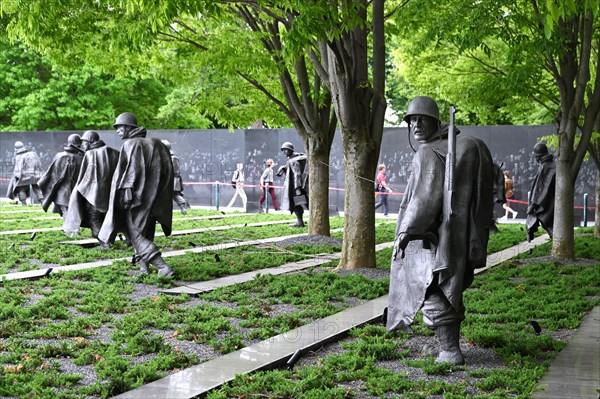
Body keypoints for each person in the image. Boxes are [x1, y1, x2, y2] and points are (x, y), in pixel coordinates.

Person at [387, 96, 494, 365]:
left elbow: (425, 198)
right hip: (461, 234)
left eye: (422, 119)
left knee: (434, 289)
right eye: (412, 120)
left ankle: (449, 350)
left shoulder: (429, 151)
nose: (416, 125)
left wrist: (406, 231)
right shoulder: (467, 146)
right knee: (450, 287)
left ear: (437, 121)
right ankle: (448, 347)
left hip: (435, 237)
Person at [98, 112, 175, 277]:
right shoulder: (156, 144)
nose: (118, 131)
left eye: (119, 128)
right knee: (145, 232)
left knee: (135, 233)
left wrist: (126, 193)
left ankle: (163, 267)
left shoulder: (131, 145)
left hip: (137, 199)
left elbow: (130, 172)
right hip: (155, 199)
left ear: (128, 128)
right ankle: (143, 268)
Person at [63, 130, 119, 240]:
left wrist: (80, 193)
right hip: (111, 195)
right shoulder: (114, 152)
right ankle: (109, 239)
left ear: (90, 141)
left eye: (84, 142)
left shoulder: (90, 154)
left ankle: (104, 242)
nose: (82, 145)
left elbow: (85, 178)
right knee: (107, 219)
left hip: (94, 194)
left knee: (94, 219)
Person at [38, 134, 84, 216]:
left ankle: (69, 227)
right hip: (75, 192)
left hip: (62, 192)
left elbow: (51, 173)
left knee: (67, 211)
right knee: (70, 212)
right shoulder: (82, 158)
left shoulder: (59, 155)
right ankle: (69, 227)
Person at [526, 142, 555, 241]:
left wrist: (533, 204)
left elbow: (540, 188)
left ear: (538, 157)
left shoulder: (545, 167)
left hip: (548, 201)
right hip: (550, 200)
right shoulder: (551, 165)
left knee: (542, 217)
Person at [276, 142, 309, 227]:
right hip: (296, 188)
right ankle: (300, 221)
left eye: (285, 150)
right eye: (283, 150)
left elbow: (297, 174)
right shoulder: (293, 159)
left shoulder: (294, 160)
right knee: (297, 204)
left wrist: (297, 188)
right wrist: (284, 168)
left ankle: (302, 221)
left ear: (290, 150)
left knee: (303, 203)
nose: (284, 152)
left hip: (296, 188)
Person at [6, 141, 44, 206]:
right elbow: (39, 165)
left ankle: (24, 204)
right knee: (37, 188)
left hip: (24, 176)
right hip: (35, 175)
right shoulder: (33, 154)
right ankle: (43, 202)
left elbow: (17, 169)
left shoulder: (18, 157)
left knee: (20, 188)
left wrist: (16, 178)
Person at [161, 139, 190, 215]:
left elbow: (174, 171)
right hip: (170, 180)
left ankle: (183, 208)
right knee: (173, 195)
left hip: (172, 180)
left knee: (174, 195)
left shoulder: (172, 158)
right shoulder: (165, 158)